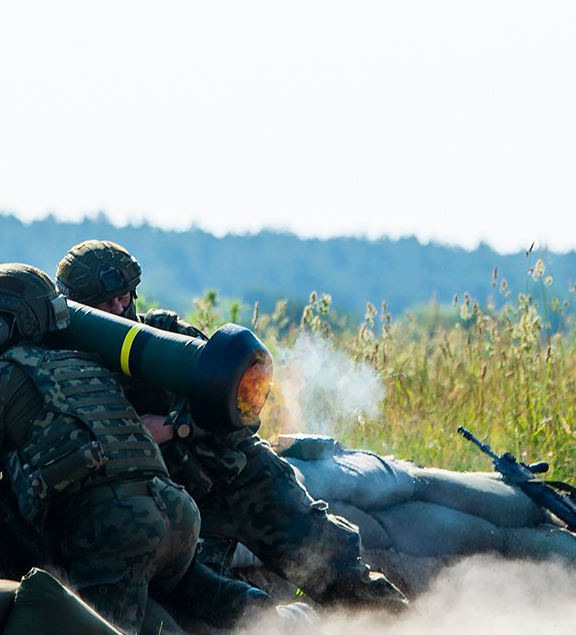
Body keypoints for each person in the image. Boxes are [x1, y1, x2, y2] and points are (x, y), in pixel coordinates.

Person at [54, 239, 407, 609]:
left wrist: (173, 427)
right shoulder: (72, 370)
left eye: (123, 298)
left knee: (329, 560)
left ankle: (400, 632)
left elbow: (241, 409)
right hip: (178, 509)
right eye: (104, 303)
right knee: (207, 607)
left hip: (240, 478)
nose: (117, 309)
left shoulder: (166, 336)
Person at [0, 262, 238, 635]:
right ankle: (276, 618)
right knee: (197, 592)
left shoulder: (0, 379)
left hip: (117, 526)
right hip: (177, 512)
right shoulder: (84, 361)